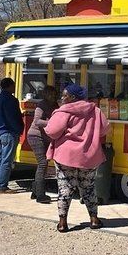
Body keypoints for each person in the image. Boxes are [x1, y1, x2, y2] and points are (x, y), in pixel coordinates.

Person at [45, 84, 110, 232]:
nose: (62, 97)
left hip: (66, 156)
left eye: (65, 95)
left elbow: (52, 132)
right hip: (89, 156)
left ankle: (62, 223)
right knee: (88, 188)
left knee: (65, 189)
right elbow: (105, 129)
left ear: (73, 97)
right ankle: (94, 219)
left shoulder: (64, 111)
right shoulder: (96, 111)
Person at [0, 78, 24, 194]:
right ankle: (2, 186)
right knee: (7, 160)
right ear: (9, 86)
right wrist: (20, 129)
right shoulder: (11, 100)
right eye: (13, 86)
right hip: (9, 132)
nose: (14, 88)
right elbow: (12, 117)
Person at [27, 85, 58, 203]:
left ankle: (35, 191)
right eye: (50, 94)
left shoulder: (55, 105)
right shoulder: (41, 105)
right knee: (42, 163)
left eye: (54, 94)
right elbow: (37, 121)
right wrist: (50, 122)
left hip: (45, 137)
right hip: (35, 136)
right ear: (45, 94)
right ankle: (40, 195)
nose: (53, 96)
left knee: (43, 164)